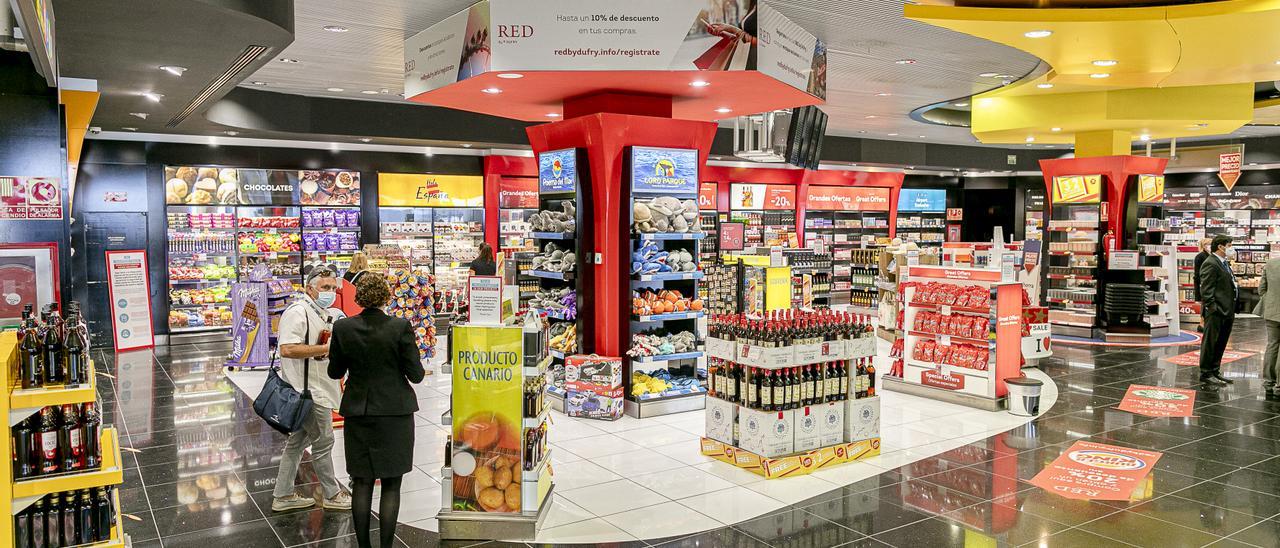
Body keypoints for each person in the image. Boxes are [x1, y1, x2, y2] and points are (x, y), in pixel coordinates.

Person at [328, 274, 425, 548]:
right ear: (386, 297)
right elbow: (415, 375)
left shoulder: (343, 328)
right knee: (392, 484)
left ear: (358, 297)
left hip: (359, 411)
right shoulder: (400, 327)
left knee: (361, 482)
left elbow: (334, 370)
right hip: (395, 412)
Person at [271, 267, 351, 512]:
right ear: (309, 288)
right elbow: (288, 349)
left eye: (333, 288)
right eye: (324, 288)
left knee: (297, 442)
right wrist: (324, 350)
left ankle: (283, 495)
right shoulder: (298, 312)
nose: (330, 292)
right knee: (324, 440)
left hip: (316, 387)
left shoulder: (321, 311)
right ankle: (331, 494)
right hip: (307, 390)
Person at [1199, 234, 1238, 386]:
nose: (1231, 248)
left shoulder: (1224, 263)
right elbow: (1206, 290)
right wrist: (1213, 307)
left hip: (1227, 310)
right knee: (1210, 342)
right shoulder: (1211, 263)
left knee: (1221, 342)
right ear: (1221, 247)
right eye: (1229, 245)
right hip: (1217, 311)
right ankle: (1206, 373)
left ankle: (1215, 370)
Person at [1256, 255, 1280, 394]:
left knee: (1272, 344)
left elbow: (1261, 289)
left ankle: (1269, 381)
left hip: (1271, 312)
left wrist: (1270, 302)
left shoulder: (1270, 263)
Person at [1193, 237, 1212, 332]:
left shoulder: (1211, 256)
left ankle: (1204, 323)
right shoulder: (1200, 257)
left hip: (1209, 284)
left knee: (1207, 305)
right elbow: (1197, 275)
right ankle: (1202, 323)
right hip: (1203, 284)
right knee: (1204, 305)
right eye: (1208, 244)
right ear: (1203, 246)